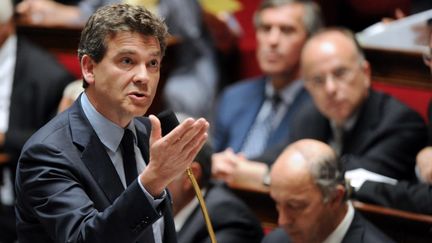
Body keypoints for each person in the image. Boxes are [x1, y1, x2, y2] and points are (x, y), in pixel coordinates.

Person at [15, 3, 209, 243]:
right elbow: (83, 238)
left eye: (152, 64)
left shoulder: (149, 134)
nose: (143, 77)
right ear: (89, 68)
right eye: (127, 61)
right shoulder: (47, 153)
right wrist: (152, 183)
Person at [261, 27, 427, 181]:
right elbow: (282, 154)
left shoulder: (401, 122)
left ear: (366, 73)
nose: (330, 89)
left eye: (340, 73)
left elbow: (358, 177)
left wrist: (266, 175)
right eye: (318, 80)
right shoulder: (309, 116)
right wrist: (239, 164)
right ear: (307, 87)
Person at [16, 0, 219, 119]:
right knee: (78, 92)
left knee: (182, 95)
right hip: (116, 50)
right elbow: (90, 12)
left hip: (185, 62)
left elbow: (186, 28)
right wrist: (60, 12)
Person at [211, 0, 323, 187]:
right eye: (265, 29)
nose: (272, 41)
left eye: (287, 30)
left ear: (310, 41)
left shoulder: (321, 104)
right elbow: (213, 155)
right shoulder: (233, 96)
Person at [0, 0, 75, 241]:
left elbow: (56, 145)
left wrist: (4, 140)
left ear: (7, 26)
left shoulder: (49, 77)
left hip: (15, 205)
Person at [262, 139, 395, 243]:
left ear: (335, 198)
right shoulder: (275, 241)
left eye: (295, 206)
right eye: (277, 204)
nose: (282, 221)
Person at [168, 141, 263, 243]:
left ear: (190, 176)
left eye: (160, 170)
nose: (150, 178)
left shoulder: (230, 221)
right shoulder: (160, 209)